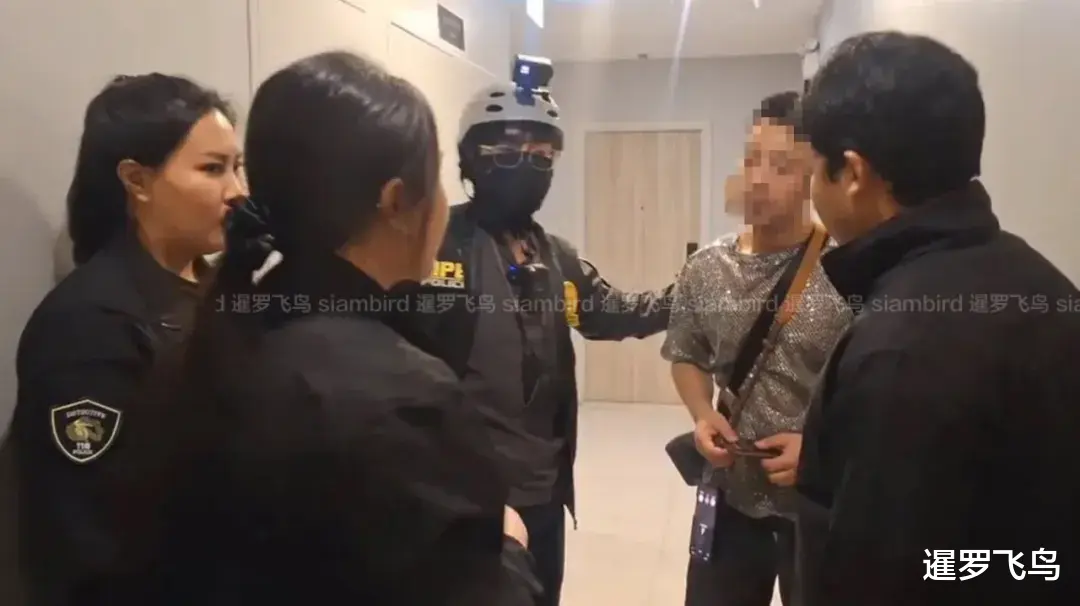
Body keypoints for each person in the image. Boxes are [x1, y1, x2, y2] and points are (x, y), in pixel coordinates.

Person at [145, 51, 540, 604]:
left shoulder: (223, 331)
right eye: (436, 180)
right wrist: (511, 546)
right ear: (396, 201)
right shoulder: (405, 398)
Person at [796, 31, 1080, 605]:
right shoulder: (1045, 285)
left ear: (852, 174)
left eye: (813, 168)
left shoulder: (899, 352)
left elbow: (884, 577)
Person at [405, 76, 674, 606]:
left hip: (544, 491)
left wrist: (690, 293)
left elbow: (608, 312)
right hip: (462, 491)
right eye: (507, 154)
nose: (526, 167)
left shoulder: (555, 257)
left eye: (541, 155)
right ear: (471, 160)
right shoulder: (434, 245)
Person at [2, 73, 244, 606]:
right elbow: (86, 540)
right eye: (213, 169)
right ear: (137, 180)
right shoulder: (90, 324)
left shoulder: (216, 289)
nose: (238, 192)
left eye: (237, 166)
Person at [663, 92, 851, 606]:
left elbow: (875, 391)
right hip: (731, 496)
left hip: (817, 505)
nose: (760, 178)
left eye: (782, 166)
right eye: (752, 160)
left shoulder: (848, 270)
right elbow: (685, 352)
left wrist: (820, 450)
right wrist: (703, 415)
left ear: (813, 176)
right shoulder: (705, 268)